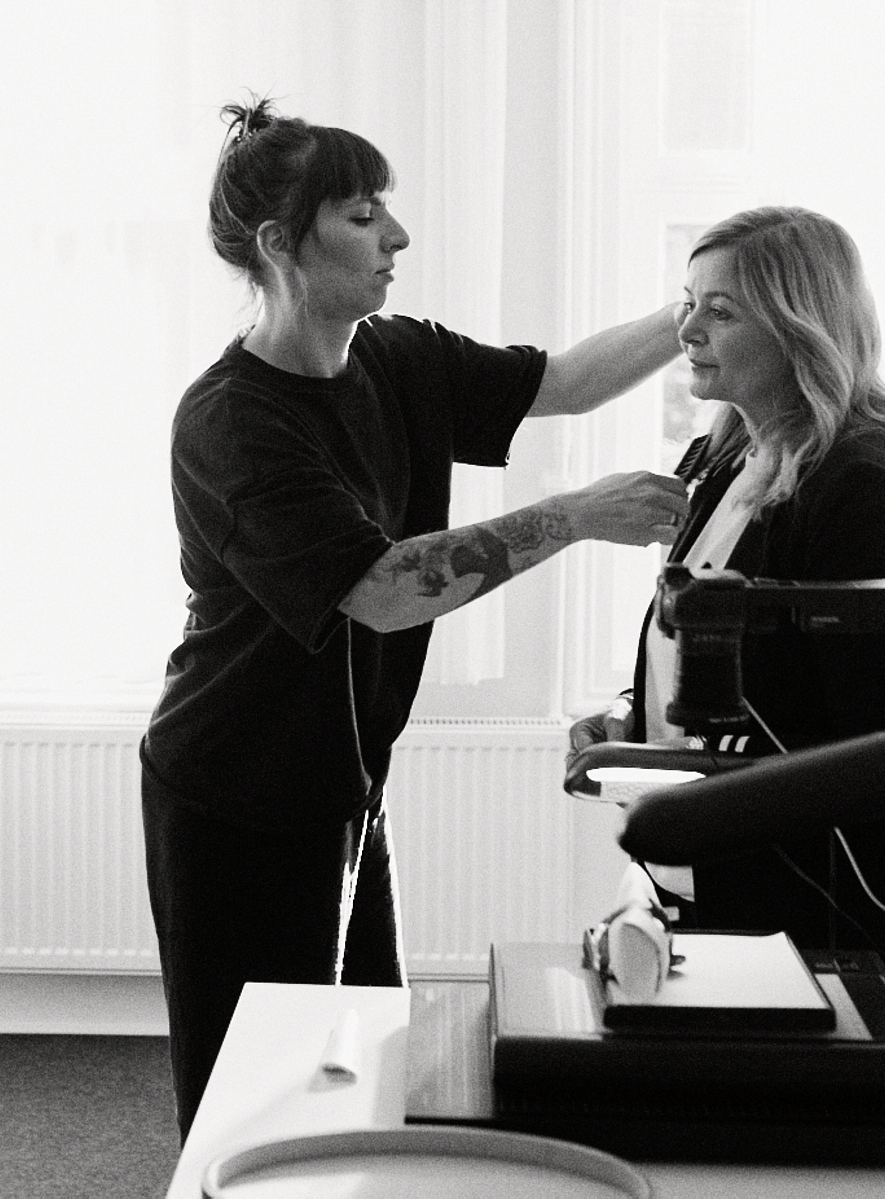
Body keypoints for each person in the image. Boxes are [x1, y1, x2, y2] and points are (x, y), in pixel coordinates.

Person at [142, 98, 691, 1134]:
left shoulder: (396, 358)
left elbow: (566, 382)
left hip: (343, 778)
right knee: (252, 1096)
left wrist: (692, 310)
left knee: (358, 1059)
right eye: (361, 217)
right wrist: (574, 515)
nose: (395, 236)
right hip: (235, 793)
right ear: (279, 245)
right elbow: (383, 591)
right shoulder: (231, 421)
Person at [578, 204, 885, 948]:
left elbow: (874, 746)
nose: (687, 332)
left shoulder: (861, 489)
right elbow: (715, 653)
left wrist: (682, 774)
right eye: (688, 305)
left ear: (798, 327)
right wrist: (632, 718)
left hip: (805, 895)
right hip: (705, 868)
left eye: (720, 312)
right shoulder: (727, 459)